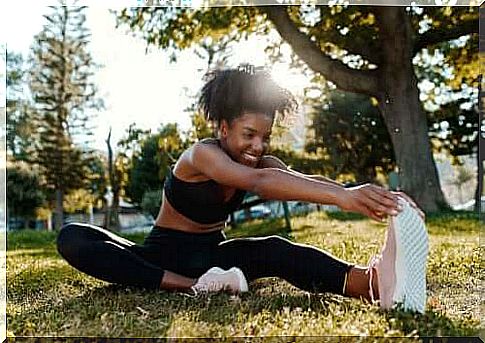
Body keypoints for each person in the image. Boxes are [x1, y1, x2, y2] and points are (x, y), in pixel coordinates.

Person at [57, 66, 424, 304]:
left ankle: (372, 284)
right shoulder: (201, 155)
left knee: (274, 248)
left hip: (217, 262)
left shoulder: (263, 162)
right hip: (159, 258)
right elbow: (260, 182)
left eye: (264, 137)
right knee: (73, 236)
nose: (258, 147)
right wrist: (345, 198)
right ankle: (190, 286)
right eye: (249, 135)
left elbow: (299, 180)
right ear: (223, 129)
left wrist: (374, 195)